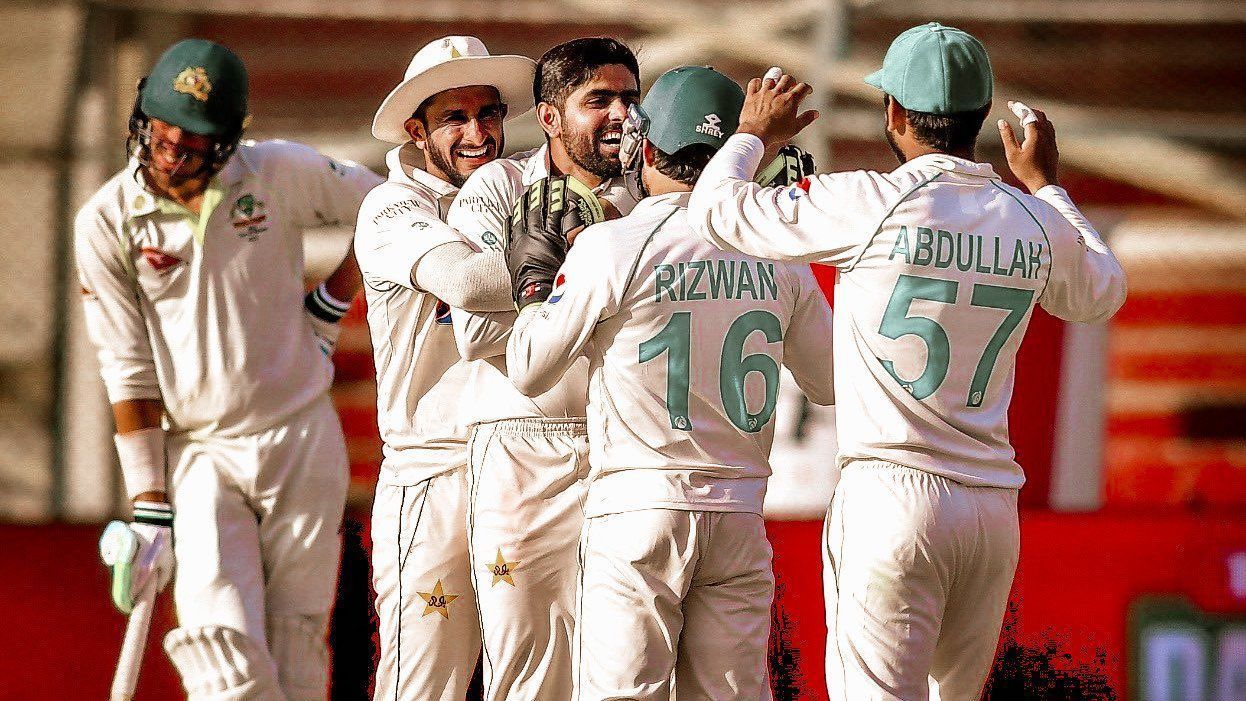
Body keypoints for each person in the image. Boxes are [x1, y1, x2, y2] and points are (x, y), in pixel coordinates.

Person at [687, 22, 1128, 700]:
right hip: (988, 508)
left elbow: (718, 211)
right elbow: (1102, 289)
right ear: (981, 117)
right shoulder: (1028, 219)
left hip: (892, 495)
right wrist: (1046, 186)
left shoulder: (872, 199)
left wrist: (754, 135)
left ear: (893, 112)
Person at [504, 66, 835, 700]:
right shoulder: (777, 254)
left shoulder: (611, 244)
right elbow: (826, 384)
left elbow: (528, 367)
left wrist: (534, 284)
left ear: (646, 147)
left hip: (639, 509)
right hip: (738, 513)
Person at [76, 38, 382, 700]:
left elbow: (388, 210)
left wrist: (330, 302)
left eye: (193, 139)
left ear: (229, 139)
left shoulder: (275, 172)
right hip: (201, 451)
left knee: (298, 639)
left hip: (300, 432)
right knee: (221, 646)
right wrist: (150, 502)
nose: (172, 151)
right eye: (162, 131)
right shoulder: (107, 220)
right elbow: (125, 366)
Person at [441, 36, 640, 701]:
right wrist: (578, 266)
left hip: (624, 455)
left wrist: (589, 245)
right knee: (529, 671)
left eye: (630, 99)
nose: (620, 115)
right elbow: (472, 329)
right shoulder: (497, 187)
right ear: (550, 116)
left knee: (625, 669)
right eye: (599, 100)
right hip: (521, 454)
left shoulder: (646, 194)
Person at [353, 36, 535, 701]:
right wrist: (584, 234)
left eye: (488, 114)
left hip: (523, 469)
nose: (478, 133)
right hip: (432, 475)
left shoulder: (523, 197)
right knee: (423, 685)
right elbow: (465, 281)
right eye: (454, 118)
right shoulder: (392, 208)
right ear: (416, 129)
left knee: (541, 678)